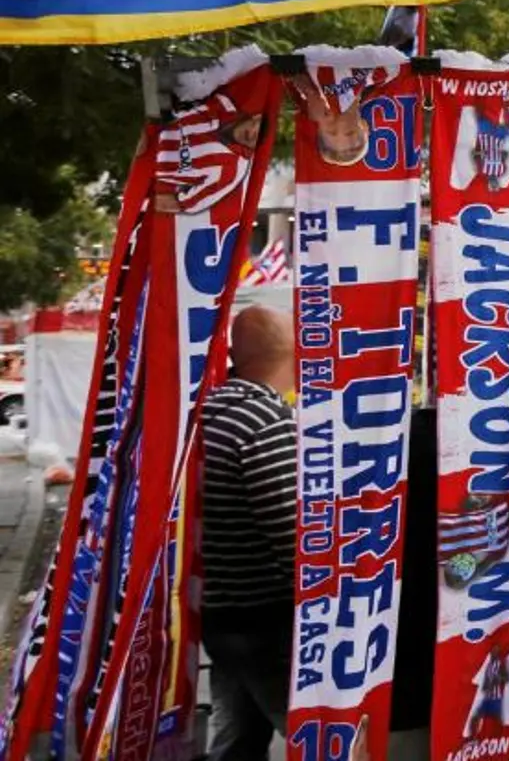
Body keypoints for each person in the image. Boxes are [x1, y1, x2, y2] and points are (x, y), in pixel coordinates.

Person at [201, 306, 300, 760]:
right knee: (313, 735)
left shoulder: (208, 412)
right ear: (294, 351)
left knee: (236, 740)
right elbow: (290, 532)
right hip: (265, 618)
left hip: (219, 613)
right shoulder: (266, 422)